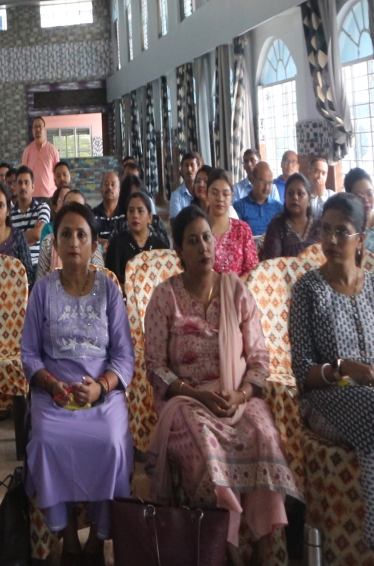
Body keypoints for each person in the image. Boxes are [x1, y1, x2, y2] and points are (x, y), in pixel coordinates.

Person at [144, 205, 298, 561]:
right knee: (208, 449)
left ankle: (263, 550)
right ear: (179, 252)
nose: (203, 247)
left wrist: (242, 394)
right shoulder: (165, 297)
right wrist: (197, 394)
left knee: (264, 435)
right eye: (193, 241)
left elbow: (259, 358)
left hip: (237, 395)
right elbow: (155, 367)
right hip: (186, 400)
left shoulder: (236, 291)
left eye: (207, 238)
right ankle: (224, 550)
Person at [23, 202, 135, 559]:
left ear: (94, 244)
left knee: (113, 443)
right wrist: (52, 384)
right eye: (65, 234)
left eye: (81, 235)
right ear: (54, 243)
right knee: (45, 440)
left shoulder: (109, 290)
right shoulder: (42, 290)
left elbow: (124, 356)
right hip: (54, 394)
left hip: (100, 394)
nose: (73, 241)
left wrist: (101, 386)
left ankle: (97, 541)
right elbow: (29, 354)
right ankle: (68, 538)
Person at [289, 193, 374, 550]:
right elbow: (301, 372)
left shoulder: (373, 286)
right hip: (325, 399)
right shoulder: (309, 289)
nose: (332, 240)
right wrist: (343, 369)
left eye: (342, 231)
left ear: (361, 240)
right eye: (326, 230)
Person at [104, 190, 167, 286]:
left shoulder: (160, 247)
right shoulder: (116, 244)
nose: (135, 215)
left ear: (150, 217)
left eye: (140, 211)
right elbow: (111, 281)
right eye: (131, 211)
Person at [36, 189, 102, 278]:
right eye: (68, 207)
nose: (74, 243)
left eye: (79, 208)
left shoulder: (91, 242)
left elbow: (100, 278)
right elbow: (40, 280)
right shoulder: (49, 241)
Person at [205, 169, 258, 275]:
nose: (220, 198)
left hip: (238, 289)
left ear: (232, 196)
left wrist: (232, 288)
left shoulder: (242, 229)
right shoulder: (199, 229)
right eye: (215, 193)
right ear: (207, 194)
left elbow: (251, 271)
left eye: (225, 194)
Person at [260, 173, 318, 260]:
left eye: (300, 193)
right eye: (290, 193)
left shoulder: (320, 227)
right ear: (285, 197)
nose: (295, 197)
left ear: (309, 199)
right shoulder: (277, 226)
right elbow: (272, 264)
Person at [9, 166, 50, 269]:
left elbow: (38, 234)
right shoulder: (9, 215)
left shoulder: (42, 208)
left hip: (37, 265)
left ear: (33, 187)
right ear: (16, 187)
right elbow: (5, 243)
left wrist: (14, 239)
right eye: (20, 183)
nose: (23, 187)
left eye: (26, 182)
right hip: (15, 266)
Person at [234, 163, 284, 238]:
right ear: (253, 180)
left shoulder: (279, 207)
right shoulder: (240, 206)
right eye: (263, 182)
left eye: (270, 183)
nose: (266, 188)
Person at [22, 116, 61, 200]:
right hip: (32, 196)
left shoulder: (53, 150)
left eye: (40, 126)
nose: (38, 129)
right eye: (35, 127)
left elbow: (57, 173)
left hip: (50, 195)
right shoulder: (27, 151)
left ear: (44, 129)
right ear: (32, 131)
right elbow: (23, 174)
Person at [342, 167, 374, 256]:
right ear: (349, 197)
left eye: (369, 193)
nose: (366, 200)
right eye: (359, 196)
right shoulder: (348, 230)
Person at [93, 171, 120, 243]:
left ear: (119, 190)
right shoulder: (93, 215)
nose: (109, 187)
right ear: (100, 189)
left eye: (113, 184)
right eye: (106, 184)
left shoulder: (126, 214)